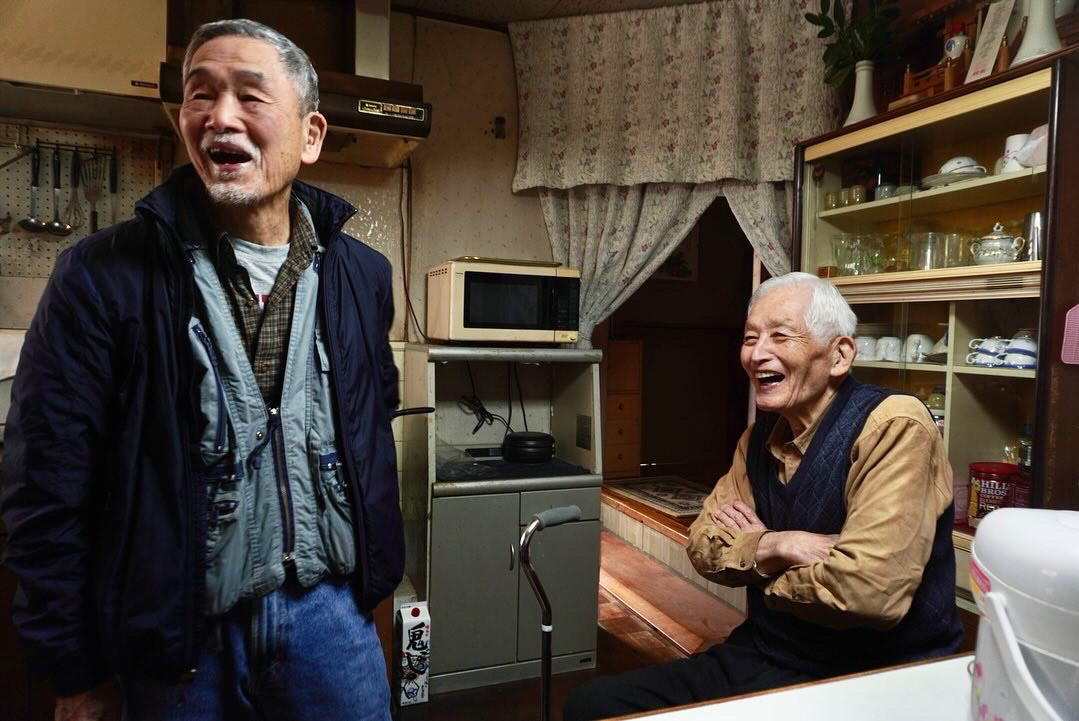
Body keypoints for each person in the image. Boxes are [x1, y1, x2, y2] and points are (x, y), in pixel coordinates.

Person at [1, 19, 403, 721]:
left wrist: (374, 589)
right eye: (200, 95)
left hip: (330, 622)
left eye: (250, 95)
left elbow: (372, 435)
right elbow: (48, 477)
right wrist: (74, 669)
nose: (220, 116)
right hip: (176, 638)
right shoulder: (101, 274)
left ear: (310, 134)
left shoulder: (361, 274)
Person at [564, 272, 961, 720]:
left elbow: (866, 592)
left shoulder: (894, 426)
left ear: (839, 355)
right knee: (592, 705)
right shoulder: (757, 438)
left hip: (875, 675)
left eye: (780, 336)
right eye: (750, 337)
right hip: (768, 651)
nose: (756, 354)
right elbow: (702, 544)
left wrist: (759, 571)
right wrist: (776, 545)